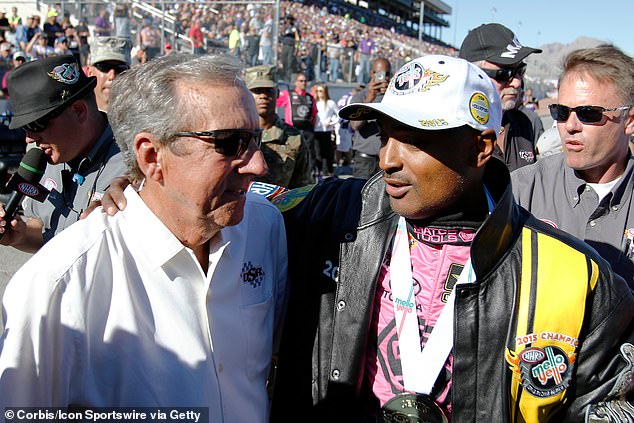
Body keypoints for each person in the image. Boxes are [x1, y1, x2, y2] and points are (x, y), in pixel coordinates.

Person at [99, 54, 634, 422]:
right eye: (386, 134)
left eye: (418, 138)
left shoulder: (576, 278)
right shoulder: (335, 211)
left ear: (481, 148)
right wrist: (146, 183)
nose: (389, 158)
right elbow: (239, 193)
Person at [0, 54, 288, 422]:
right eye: (231, 143)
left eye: (256, 140)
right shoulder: (56, 286)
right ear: (152, 157)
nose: (258, 165)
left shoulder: (265, 227)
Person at [512, 45, 634, 284]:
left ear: (629, 121)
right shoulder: (521, 190)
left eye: (588, 113)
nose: (570, 126)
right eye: (562, 112)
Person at [0, 55, 125, 252]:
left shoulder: (134, 164)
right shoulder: (46, 156)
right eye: (25, 127)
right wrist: (20, 234)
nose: (29, 138)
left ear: (79, 111)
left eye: (36, 124)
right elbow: (46, 229)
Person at [459, 23, 541, 171]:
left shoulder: (524, 123)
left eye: (520, 71)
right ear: (472, 74)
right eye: (504, 74)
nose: (516, 82)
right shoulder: (452, 131)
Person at [246, 64, 311, 188]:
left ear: (277, 94)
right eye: (257, 91)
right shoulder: (235, 134)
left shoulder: (294, 138)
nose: (263, 96)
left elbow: (302, 187)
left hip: (280, 206)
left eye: (268, 90)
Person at [350, 57, 391, 179]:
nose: (384, 78)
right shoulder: (360, 97)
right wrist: (369, 100)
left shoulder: (395, 97)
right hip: (364, 159)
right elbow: (355, 125)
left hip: (387, 157)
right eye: (379, 74)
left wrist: (392, 93)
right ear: (372, 74)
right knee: (359, 195)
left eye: (387, 74)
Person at [276, 72, 317, 178]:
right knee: (292, 153)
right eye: (301, 81)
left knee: (309, 152)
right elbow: (276, 103)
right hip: (292, 130)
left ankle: (310, 174)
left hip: (307, 129)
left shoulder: (310, 97)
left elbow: (314, 114)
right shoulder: (287, 94)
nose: (303, 83)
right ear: (295, 83)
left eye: (305, 81)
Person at [86, 36, 132, 112]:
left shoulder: (140, 119)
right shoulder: (76, 118)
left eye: (120, 69)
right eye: (104, 67)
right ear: (90, 73)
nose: (112, 76)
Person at [313, 83, 338, 176]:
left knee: (328, 153)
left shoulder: (330, 103)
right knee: (318, 153)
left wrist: (331, 123)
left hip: (326, 131)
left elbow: (338, 115)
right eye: (317, 91)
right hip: (316, 130)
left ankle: (330, 172)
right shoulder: (315, 102)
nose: (319, 93)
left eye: (321, 91)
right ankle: (318, 172)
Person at [280, 15, 299, 81]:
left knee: (289, 62)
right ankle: (283, 76)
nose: (288, 21)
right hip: (285, 45)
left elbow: (297, 38)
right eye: (287, 19)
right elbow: (281, 35)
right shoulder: (284, 27)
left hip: (291, 46)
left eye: (289, 19)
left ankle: (288, 78)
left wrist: (296, 48)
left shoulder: (294, 28)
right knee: (283, 61)